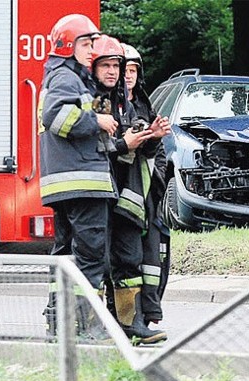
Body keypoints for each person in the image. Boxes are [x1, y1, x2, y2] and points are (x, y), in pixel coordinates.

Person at [39, 14, 118, 341]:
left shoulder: (62, 76)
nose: (91, 50)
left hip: (66, 182)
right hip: (82, 182)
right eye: (86, 44)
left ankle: (60, 324)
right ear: (68, 46)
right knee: (89, 257)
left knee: (66, 258)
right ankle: (86, 328)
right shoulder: (67, 78)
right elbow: (56, 117)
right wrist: (97, 121)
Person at [90, 34, 169, 344]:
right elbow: (95, 146)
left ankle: (131, 323)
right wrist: (126, 142)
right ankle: (98, 324)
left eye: (120, 67)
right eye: (109, 66)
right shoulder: (98, 100)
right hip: (101, 193)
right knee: (101, 261)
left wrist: (152, 137)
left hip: (127, 197)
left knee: (130, 259)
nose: (119, 73)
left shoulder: (131, 102)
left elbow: (140, 154)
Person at [121, 43, 171, 328]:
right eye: (123, 69)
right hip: (124, 198)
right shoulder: (110, 104)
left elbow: (159, 153)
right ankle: (128, 319)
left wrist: (156, 180)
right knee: (127, 260)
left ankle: (147, 313)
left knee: (151, 258)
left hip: (147, 195)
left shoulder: (144, 104)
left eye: (132, 70)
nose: (128, 76)